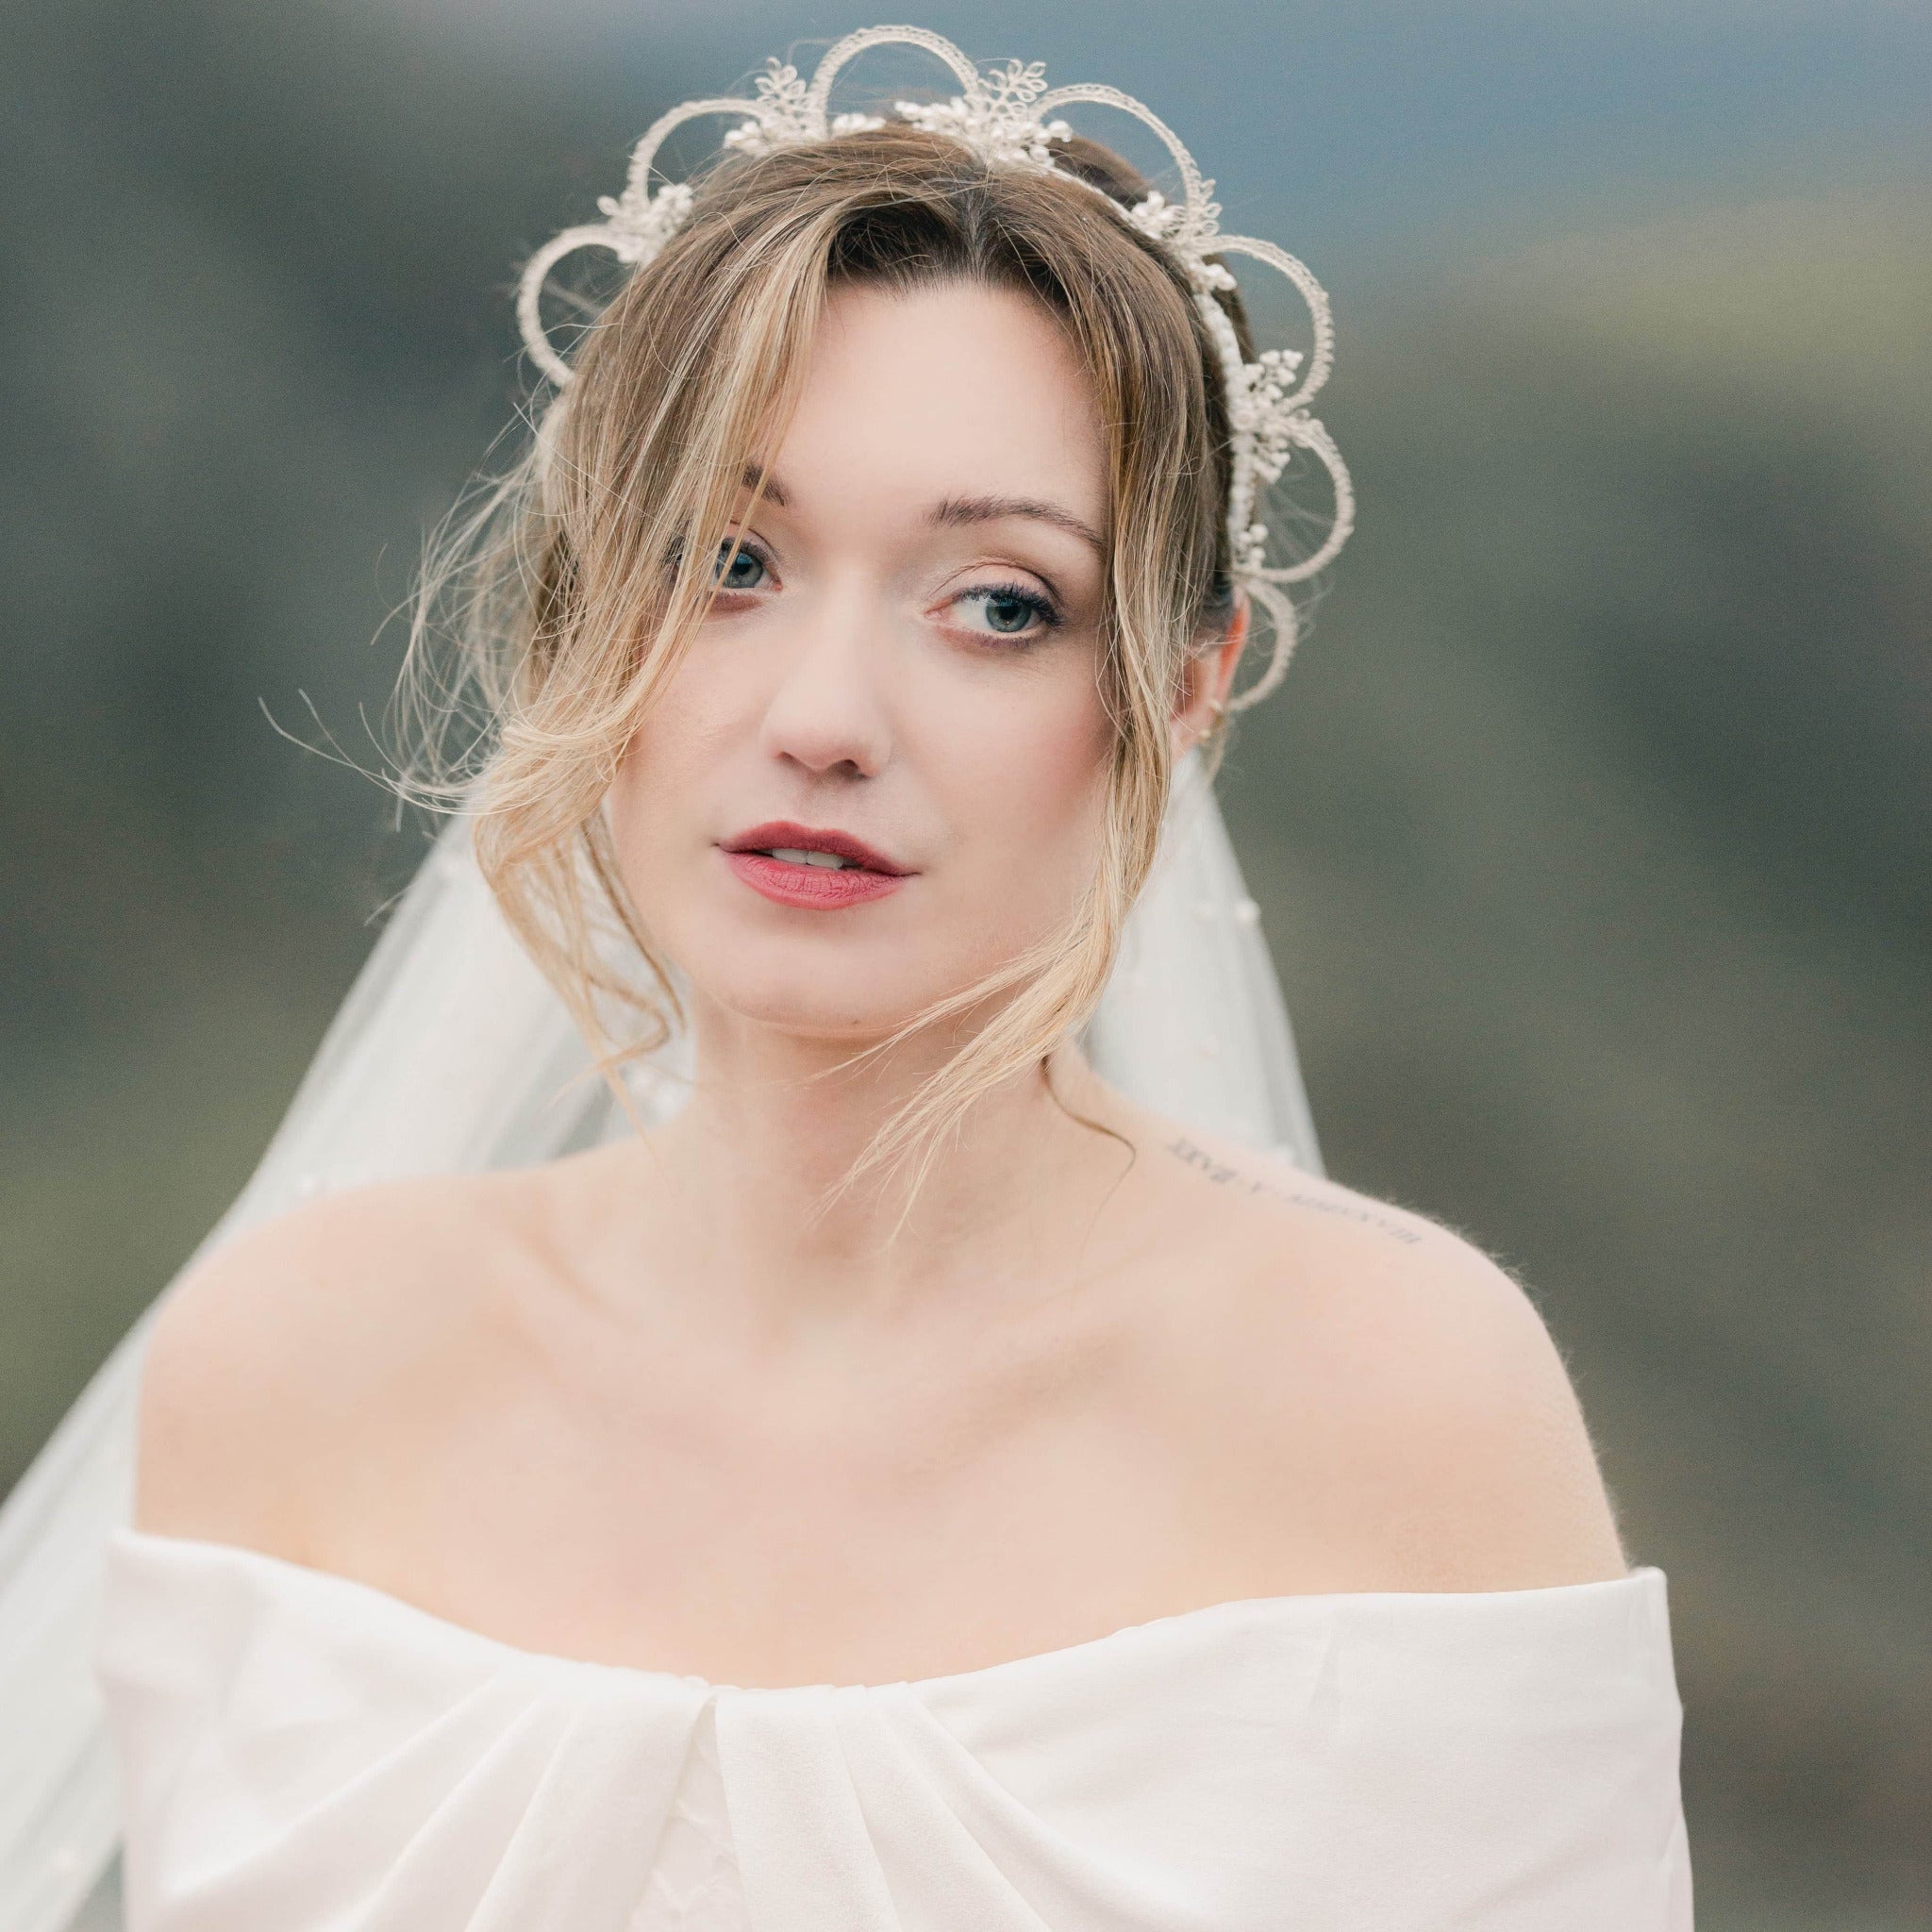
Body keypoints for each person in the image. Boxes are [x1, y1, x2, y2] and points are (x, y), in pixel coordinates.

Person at [1, 27, 1691, 1931]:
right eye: (729, 561)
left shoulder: (1393, 1396)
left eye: (998, 605)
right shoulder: (297, 1364)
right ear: (586, 616)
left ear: (1179, 692)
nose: (824, 718)